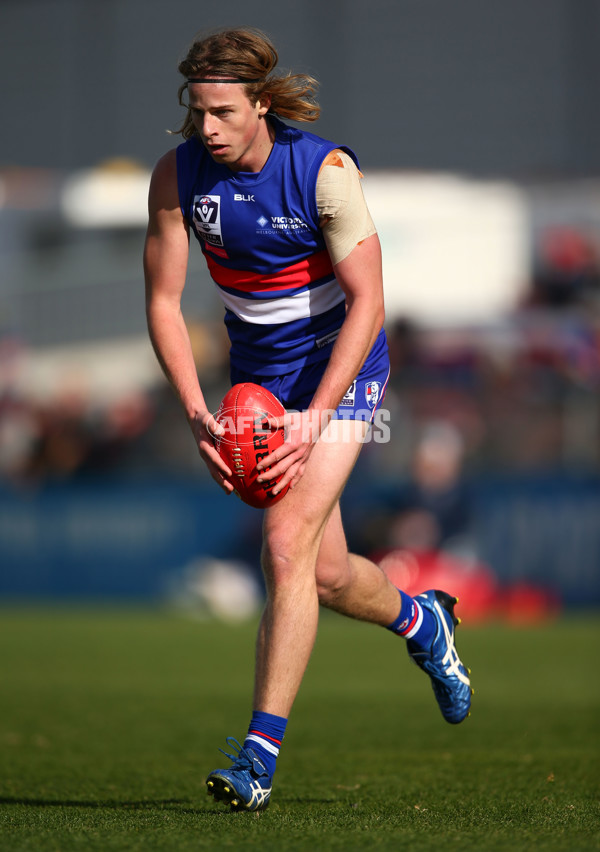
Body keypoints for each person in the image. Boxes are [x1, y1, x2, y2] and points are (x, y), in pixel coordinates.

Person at [143, 27, 472, 812]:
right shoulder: (177, 175)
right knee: (324, 574)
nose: (208, 127)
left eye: (223, 112)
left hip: (344, 373)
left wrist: (312, 419)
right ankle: (423, 623)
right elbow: (161, 302)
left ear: (261, 103)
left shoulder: (325, 172)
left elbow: (370, 303)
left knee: (287, 549)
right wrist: (197, 414)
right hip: (255, 382)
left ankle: (257, 758)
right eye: (197, 111)